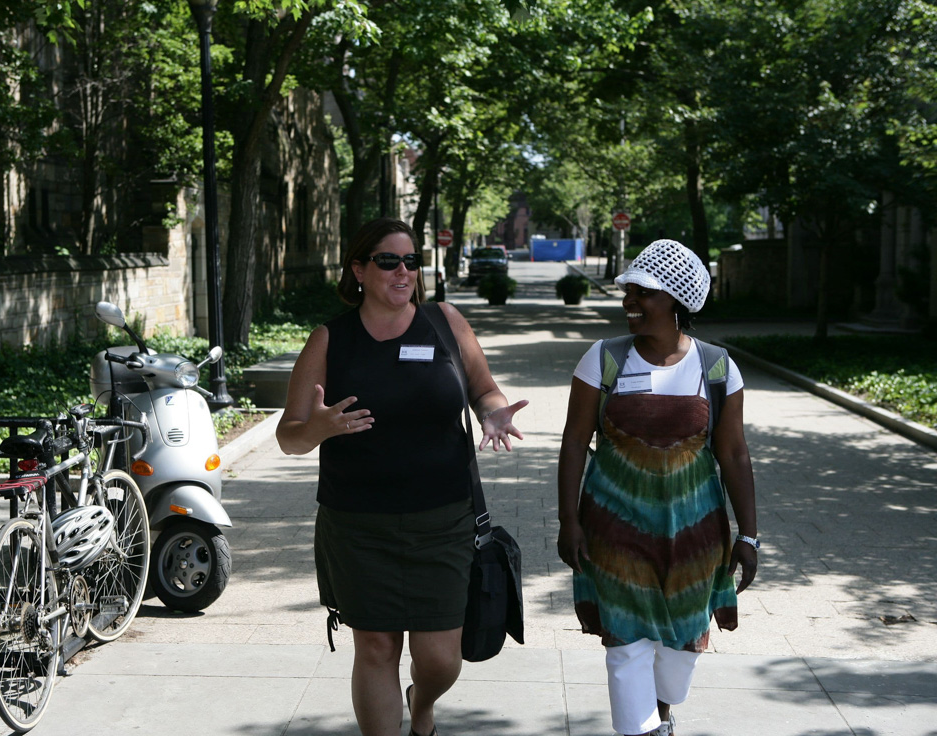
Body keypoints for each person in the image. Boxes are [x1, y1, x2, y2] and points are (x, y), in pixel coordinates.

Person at [276, 217, 527, 736]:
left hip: (443, 518)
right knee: (375, 645)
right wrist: (319, 428)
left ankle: (424, 704)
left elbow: (484, 388)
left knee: (440, 657)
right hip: (357, 525)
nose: (403, 271)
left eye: (411, 260)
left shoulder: (445, 322)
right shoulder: (329, 340)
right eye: (388, 261)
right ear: (359, 270)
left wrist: (494, 412)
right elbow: (288, 437)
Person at [556, 239, 758, 736]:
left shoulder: (715, 367)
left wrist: (749, 535)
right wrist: (568, 521)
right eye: (628, 290)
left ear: (676, 301)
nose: (630, 301)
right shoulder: (602, 359)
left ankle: (663, 711)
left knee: (680, 651)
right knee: (625, 646)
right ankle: (643, 730)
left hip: (695, 537)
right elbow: (575, 441)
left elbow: (733, 454)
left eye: (643, 292)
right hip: (615, 530)